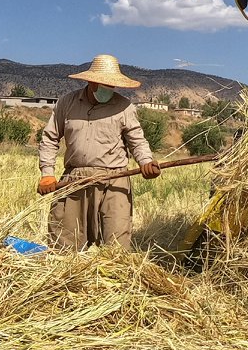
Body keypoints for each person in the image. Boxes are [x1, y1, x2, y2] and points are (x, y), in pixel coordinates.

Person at [36, 54, 162, 250]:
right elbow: (50, 139)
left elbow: (137, 140)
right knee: (64, 242)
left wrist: (146, 162)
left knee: (117, 245)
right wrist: (47, 174)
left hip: (114, 179)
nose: (108, 89)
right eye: (104, 84)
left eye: (111, 85)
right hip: (74, 179)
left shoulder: (124, 107)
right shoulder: (67, 103)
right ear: (90, 82)